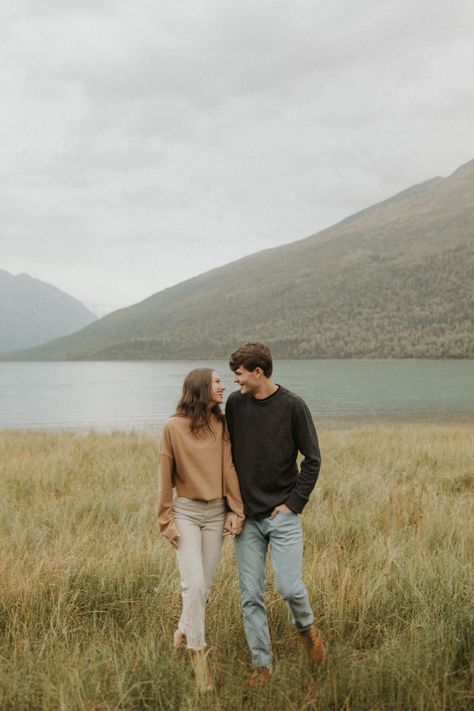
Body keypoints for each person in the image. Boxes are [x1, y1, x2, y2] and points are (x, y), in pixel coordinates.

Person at [225, 341, 324, 685]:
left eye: (238, 375)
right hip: (247, 520)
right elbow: (229, 459)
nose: (235, 381)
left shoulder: (293, 406)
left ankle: (307, 631)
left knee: (289, 587)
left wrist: (292, 504)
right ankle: (262, 666)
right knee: (250, 596)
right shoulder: (235, 405)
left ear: (258, 371)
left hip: (282, 516)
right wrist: (232, 508)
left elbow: (313, 459)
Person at [157, 368, 244, 692]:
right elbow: (164, 475)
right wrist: (166, 521)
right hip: (187, 514)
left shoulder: (221, 424)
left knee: (202, 589)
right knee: (193, 586)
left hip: (216, 513)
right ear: (200, 388)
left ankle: (182, 631)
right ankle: (198, 660)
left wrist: (236, 510)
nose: (224, 386)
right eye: (218, 381)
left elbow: (229, 468)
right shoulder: (172, 427)